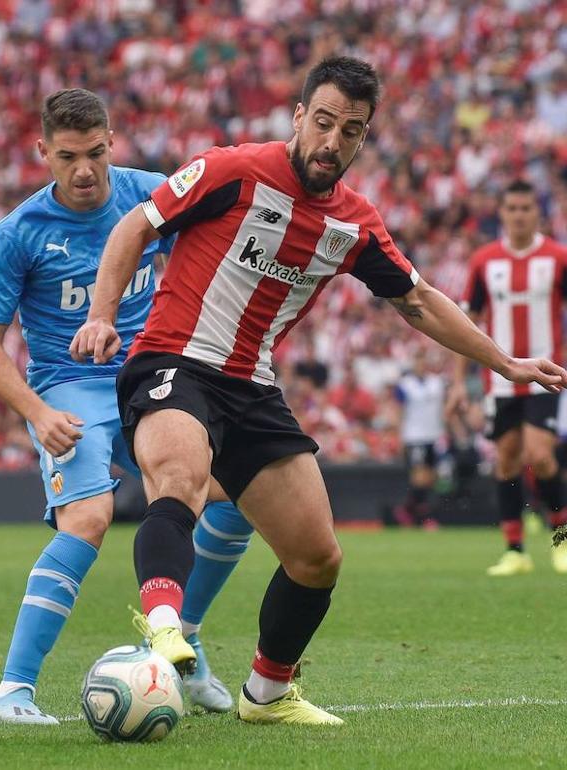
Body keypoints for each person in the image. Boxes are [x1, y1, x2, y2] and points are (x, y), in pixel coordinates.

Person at [69, 56, 566, 725]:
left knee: (316, 556)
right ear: (299, 116)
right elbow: (135, 227)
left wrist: (503, 363)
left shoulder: (354, 225)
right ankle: (165, 627)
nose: (333, 142)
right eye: (324, 122)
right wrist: (101, 314)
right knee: (179, 480)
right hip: (175, 362)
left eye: (351, 131)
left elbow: (417, 300)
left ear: (364, 139)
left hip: (252, 388)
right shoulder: (231, 169)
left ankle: (267, 695)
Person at [0, 88, 252, 723]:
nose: (84, 171)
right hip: (68, 390)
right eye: (68, 156)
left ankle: (186, 635)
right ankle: (12, 693)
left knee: (238, 493)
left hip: (152, 380)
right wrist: (37, 413)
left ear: (112, 142)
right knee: (89, 519)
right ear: (43, 151)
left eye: (95, 153)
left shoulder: (152, 192)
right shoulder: (18, 232)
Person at [453, 180, 567, 576]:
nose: (519, 214)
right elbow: (466, 323)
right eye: (512, 208)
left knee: (539, 454)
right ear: (501, 213)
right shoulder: (485, 261)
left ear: (537, 212)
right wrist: (457, 382)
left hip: (546, 375)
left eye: (525, 208)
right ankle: (515, 551)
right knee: (506, 462)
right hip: (498, 381)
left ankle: (561, 538)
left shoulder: (557, 257)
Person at [393, 353, 446, 529]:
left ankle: (407, 510)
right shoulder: (405, 385)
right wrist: (399, 436)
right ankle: (424, 517)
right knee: (420, 477)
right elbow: (399, 412)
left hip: (433, 435)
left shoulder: (437, 383)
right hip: (414, 436)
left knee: (430, 478)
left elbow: (443, 407)